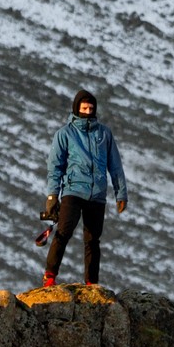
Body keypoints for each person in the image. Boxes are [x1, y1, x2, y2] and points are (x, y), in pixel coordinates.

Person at [40, 88, 127, 287]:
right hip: (73, 191)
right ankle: (50, 276)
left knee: (93, 240)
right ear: (76, 108)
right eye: (84, 107)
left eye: (91, 108)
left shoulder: (104, 134)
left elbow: (115, 165)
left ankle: (91, 283)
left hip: (97, 195)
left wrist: (121, 193)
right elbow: (55, 167)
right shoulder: (65, 134)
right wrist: (52, 196)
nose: (88, 111)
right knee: (63, 232)